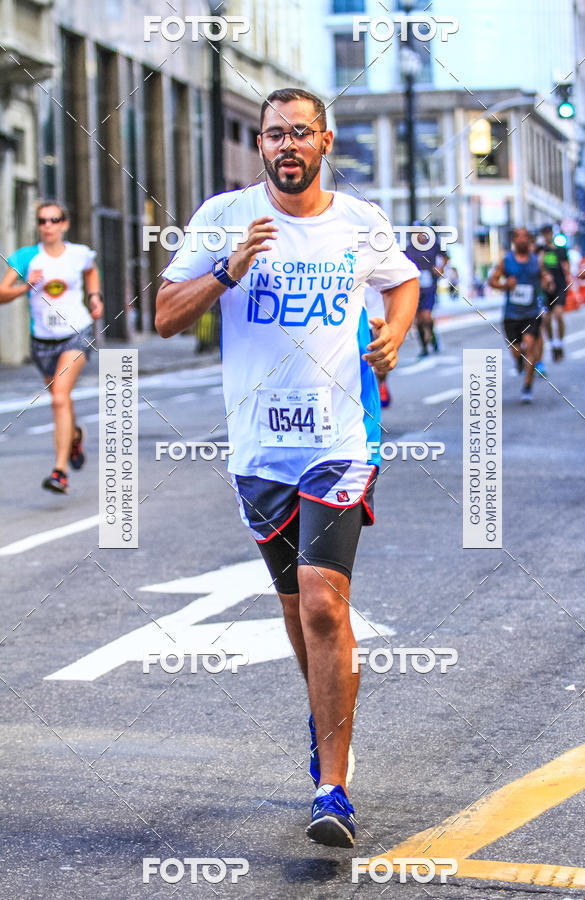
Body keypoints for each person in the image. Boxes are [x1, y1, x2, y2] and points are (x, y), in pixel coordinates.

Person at [155, 88, 419, 848]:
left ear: (325, 140)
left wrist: (395, 334)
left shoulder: (360, 222)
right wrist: (231, 269)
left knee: (324, 605)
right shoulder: (223, 218)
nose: (286, 145)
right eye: (274, 135)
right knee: (294, 608)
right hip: (258, 451)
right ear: (262, 146)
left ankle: (332, 786)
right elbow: (168, 316)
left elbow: (402, 282)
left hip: (341, 441)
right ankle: (325, 719)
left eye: (300, 132)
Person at [0, 200, 103, 492]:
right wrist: (25, 285)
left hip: (76, 333)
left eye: (54, 220)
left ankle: (60, 472)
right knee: (62, 400)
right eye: (43, 221)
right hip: (42, 341)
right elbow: (2, 293)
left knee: (59, 396)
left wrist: (94, 296)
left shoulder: (78, 254)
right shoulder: (27, 257)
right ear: (38, 225)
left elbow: (91, 271)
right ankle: (74, 436)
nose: (48, 226)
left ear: (64, 224)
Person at [488, 227, 552, 403]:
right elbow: (492, 280)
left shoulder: (536, 261)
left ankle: (527, 387)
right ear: (514, 241)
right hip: (511, 314)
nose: (523, 240)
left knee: (530, 347)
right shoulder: (506, 261)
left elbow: (544, 276)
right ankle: (519, 362)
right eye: (519, 237)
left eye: (526, 237)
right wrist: (504, 285)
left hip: (531, 313)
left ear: (529, 240)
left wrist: (547, 281)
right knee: (517, 351)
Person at [404, 224, 444, 357]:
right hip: (414, 287)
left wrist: (440, 268)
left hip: (429, 286)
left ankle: (432, 338)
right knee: (418, 319)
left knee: (426, 316)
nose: (418, 235)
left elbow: (444, 256)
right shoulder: (408, 249)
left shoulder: (432, 245)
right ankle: (425, 346)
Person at [539, 224, 571, 361]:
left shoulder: (561, 250)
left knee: (558, 314)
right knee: (546, 318)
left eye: (549, 233)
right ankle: (552, 343)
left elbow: (567, 267)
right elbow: (538, 266)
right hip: (546, 289)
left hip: (560, 286)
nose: (547, 236)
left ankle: (560, 342)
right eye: (545, 233)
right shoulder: (541, 250)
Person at [364, 285, 391, 406]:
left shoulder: (382, 269)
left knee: (380, 359)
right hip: (359, 321)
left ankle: (381, 384)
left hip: (379, 320)